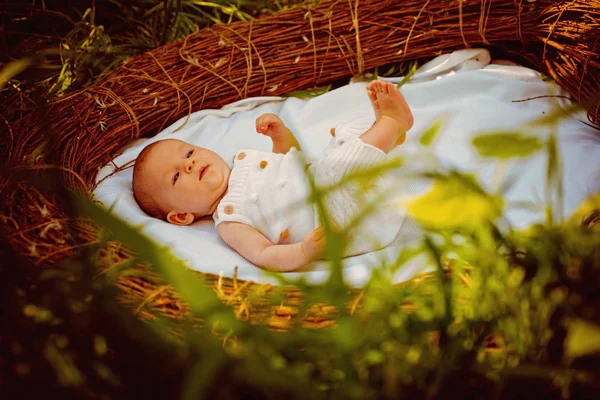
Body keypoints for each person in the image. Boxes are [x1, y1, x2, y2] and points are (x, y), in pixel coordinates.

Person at [132, 80, 414, 271]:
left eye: (189, 154)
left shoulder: (243, 161)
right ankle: (391, 126)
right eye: (176, 177)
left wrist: (280, 136)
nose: (190, 165)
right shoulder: (230, 219)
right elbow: (264, 255)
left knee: (339, 137)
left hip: (333, 183)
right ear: (181, 216)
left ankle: (385, 132)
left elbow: (291, 160)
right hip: (341, 220)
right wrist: (304, 252)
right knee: (339, 165)